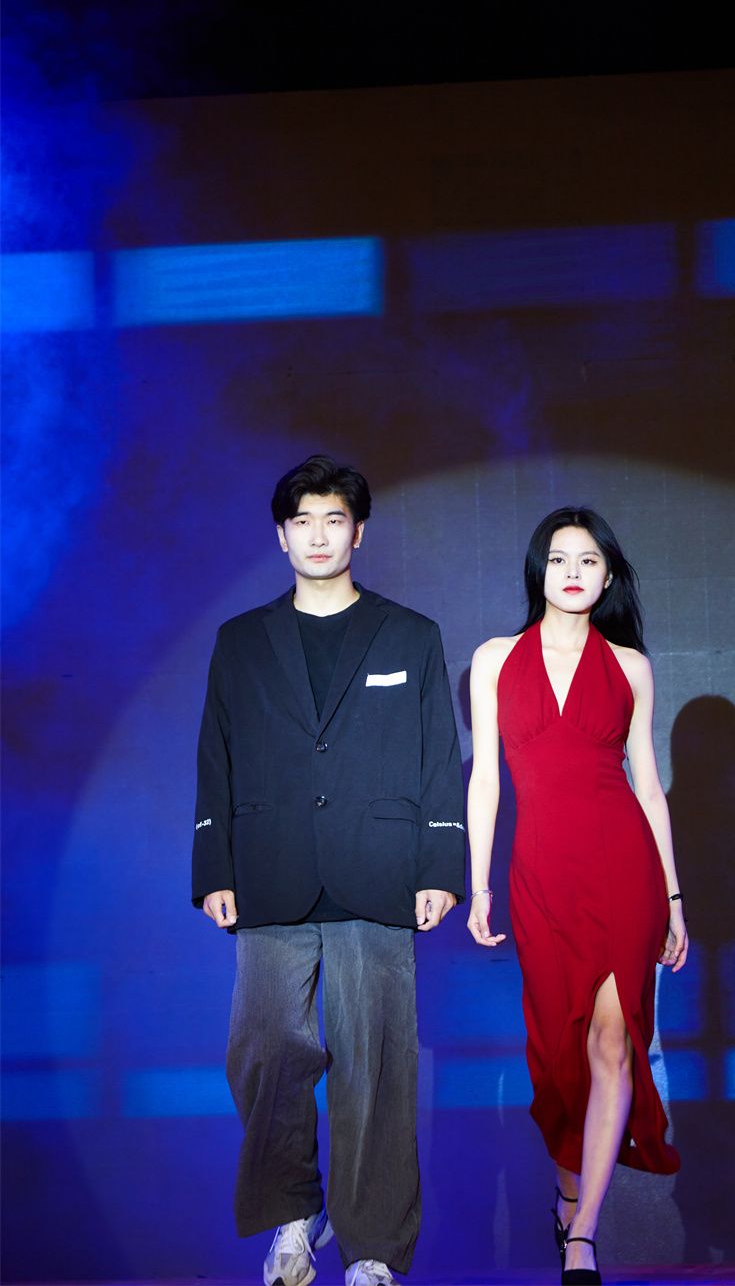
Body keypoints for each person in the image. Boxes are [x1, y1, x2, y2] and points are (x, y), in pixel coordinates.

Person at [192, 455, 465, 1286]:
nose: (318, 534)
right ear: (281, 535)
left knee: (376, 1063)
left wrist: (441, 863)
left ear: (359, 531)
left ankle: (371, 1246)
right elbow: (215, 758)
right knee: (265, 1049)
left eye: (334, 519)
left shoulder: (409, 634)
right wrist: (212, 866)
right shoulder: (241, 640)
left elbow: (438, 760)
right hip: (270, 870)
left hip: (378, 869)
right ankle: (290, 1215)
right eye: (303, 520)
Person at [466, 507, 688, 1286]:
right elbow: (485, 779)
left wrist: (674, 897)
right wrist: (478, 882)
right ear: (540, 569)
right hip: (541, 874)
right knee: (559, 1061)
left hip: (624, 867)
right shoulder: (496, 658)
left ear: (607, 575)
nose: (572, 571)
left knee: (612, 1042)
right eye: (559, 558)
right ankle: (569, 1197)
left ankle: (583, 1233)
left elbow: (649, 787)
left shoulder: (630, 667)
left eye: (588, 560)